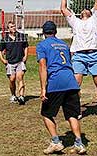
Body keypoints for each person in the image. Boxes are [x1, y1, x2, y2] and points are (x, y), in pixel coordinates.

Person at [37, 21, 87, 155]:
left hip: (56, 82)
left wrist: (43, 89)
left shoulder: (42, 45)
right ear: (55, 32)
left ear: (43, 33)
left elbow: (43, 66)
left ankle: (55, 142)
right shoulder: (64, 44)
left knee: (46, 114)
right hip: (71, 81)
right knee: (72, 114)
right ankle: (79, 143)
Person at [0, 21, 29, 105]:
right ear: (8, 29)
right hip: (10, 62)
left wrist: (25, 56)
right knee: (12, 79)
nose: (14, 28)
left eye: (14, 26)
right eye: (11, 27)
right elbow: (0, 50)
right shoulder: (5, 39)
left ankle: (21, 96)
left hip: (20, 61)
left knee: (20, 77)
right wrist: (3, 60)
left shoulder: (21, 36)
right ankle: (13, 95)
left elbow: (26, 46)